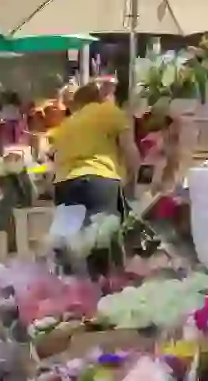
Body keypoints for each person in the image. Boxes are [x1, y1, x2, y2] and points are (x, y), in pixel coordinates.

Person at [45, 82, 142, 276]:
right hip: (100, 181)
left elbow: (53, 160)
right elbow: (130, 151)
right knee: (102, 243)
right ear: (98, 98)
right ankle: (106, 292)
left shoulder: (66, 124)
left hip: (65, 185)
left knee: (70, 245)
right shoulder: (110, 112)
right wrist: (132, 178)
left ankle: (72, 293)